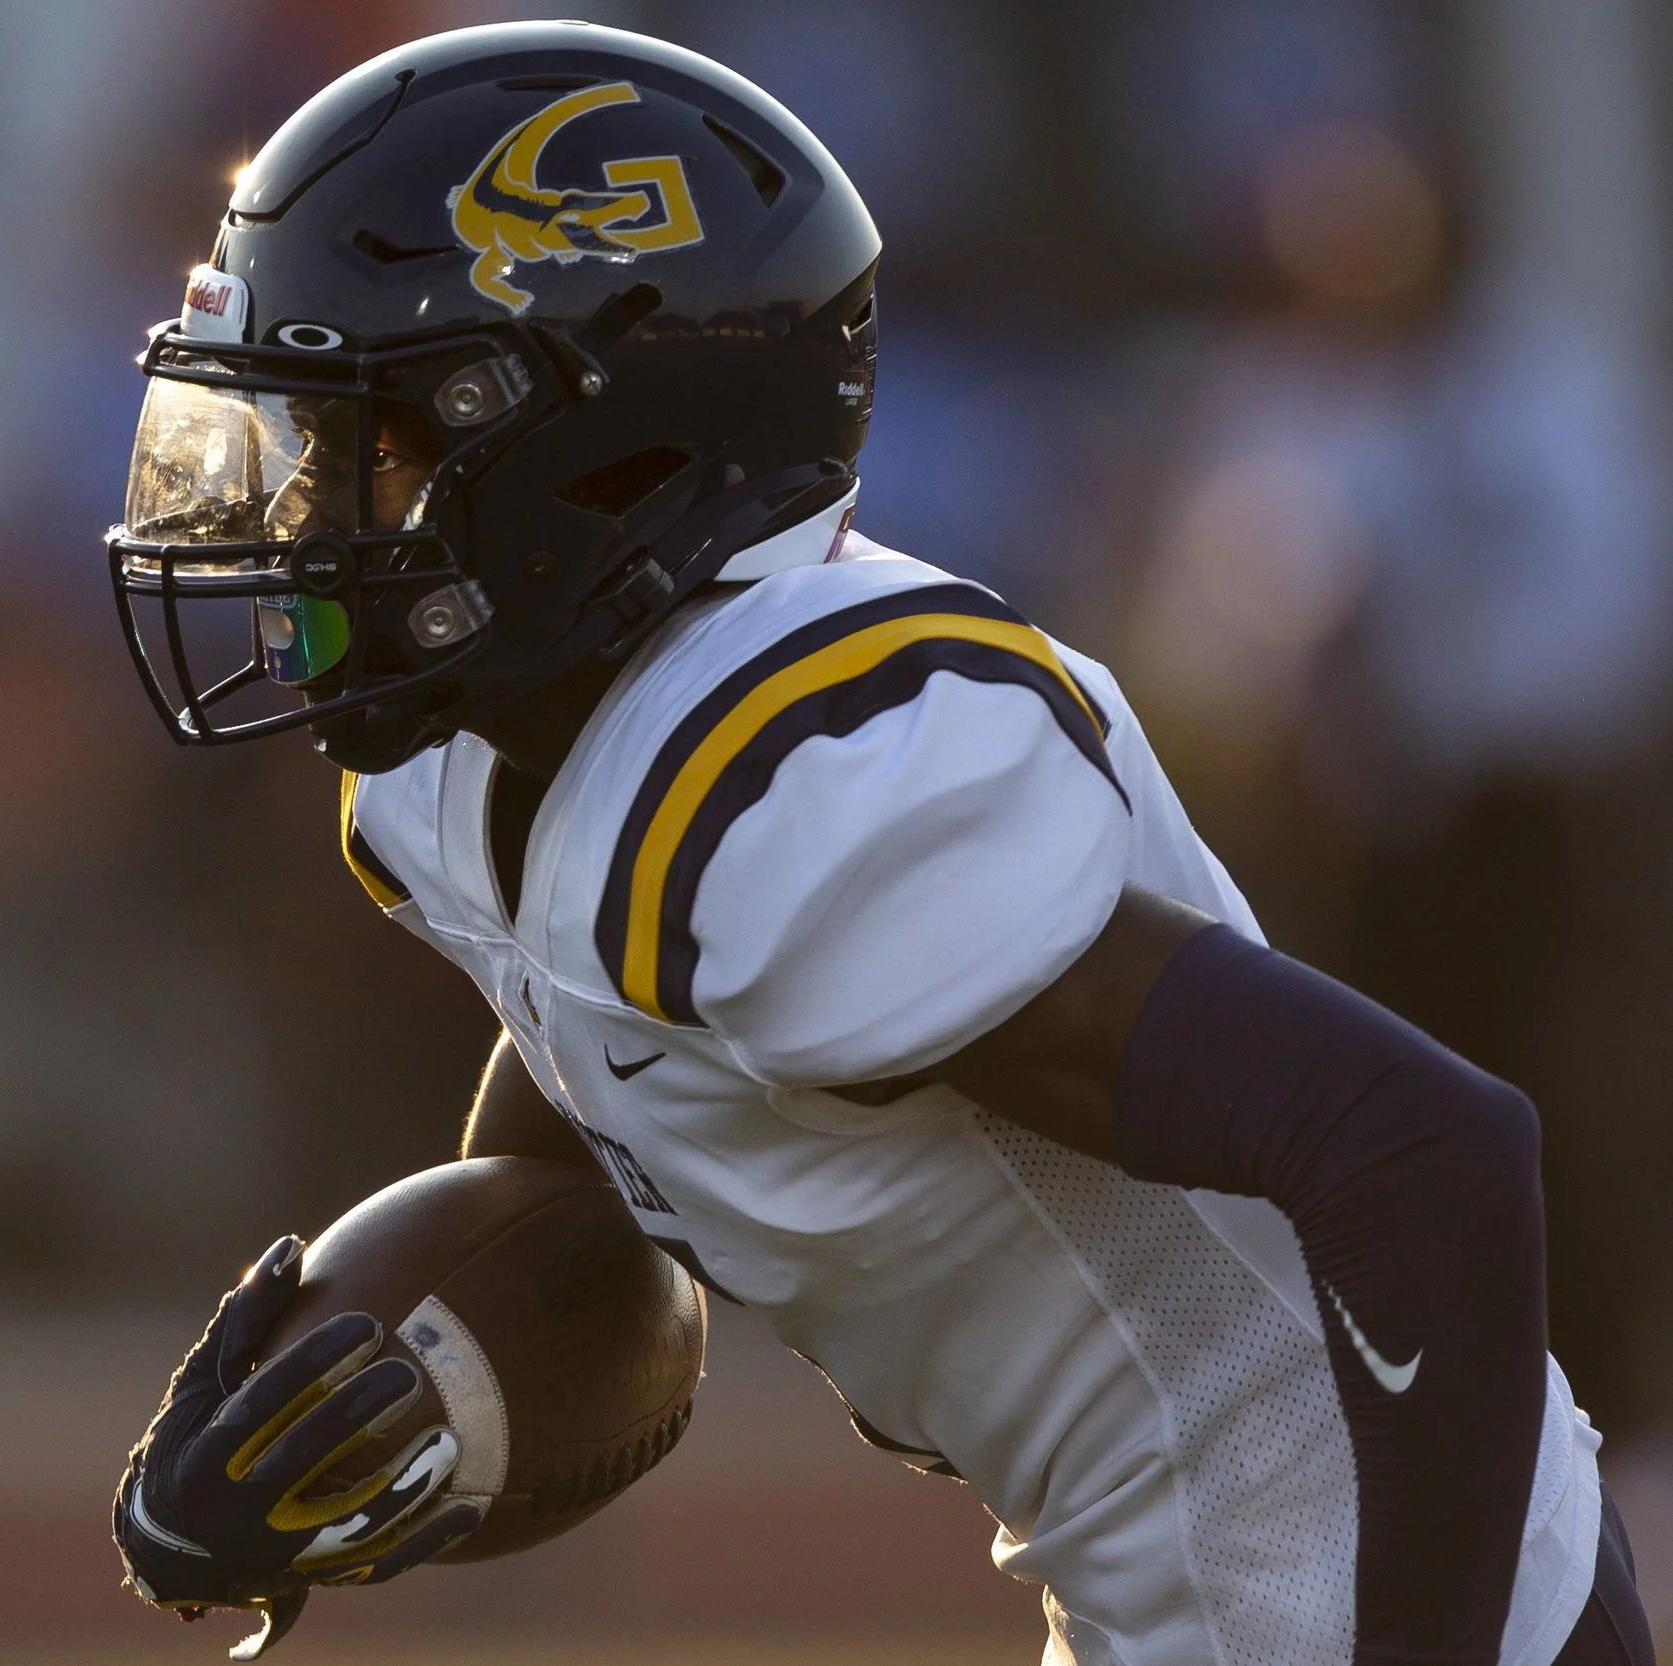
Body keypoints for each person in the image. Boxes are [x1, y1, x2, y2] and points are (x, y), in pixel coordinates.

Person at [103, 22, 1650, 1666]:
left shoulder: (810, 789)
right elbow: (584, 1145)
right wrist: (381, 1394)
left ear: (583, 454)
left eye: (373, 445)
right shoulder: (469, 760)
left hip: (1360, 1599)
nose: (292, 514)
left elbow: (1430, 1160)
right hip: (1163, 1601)